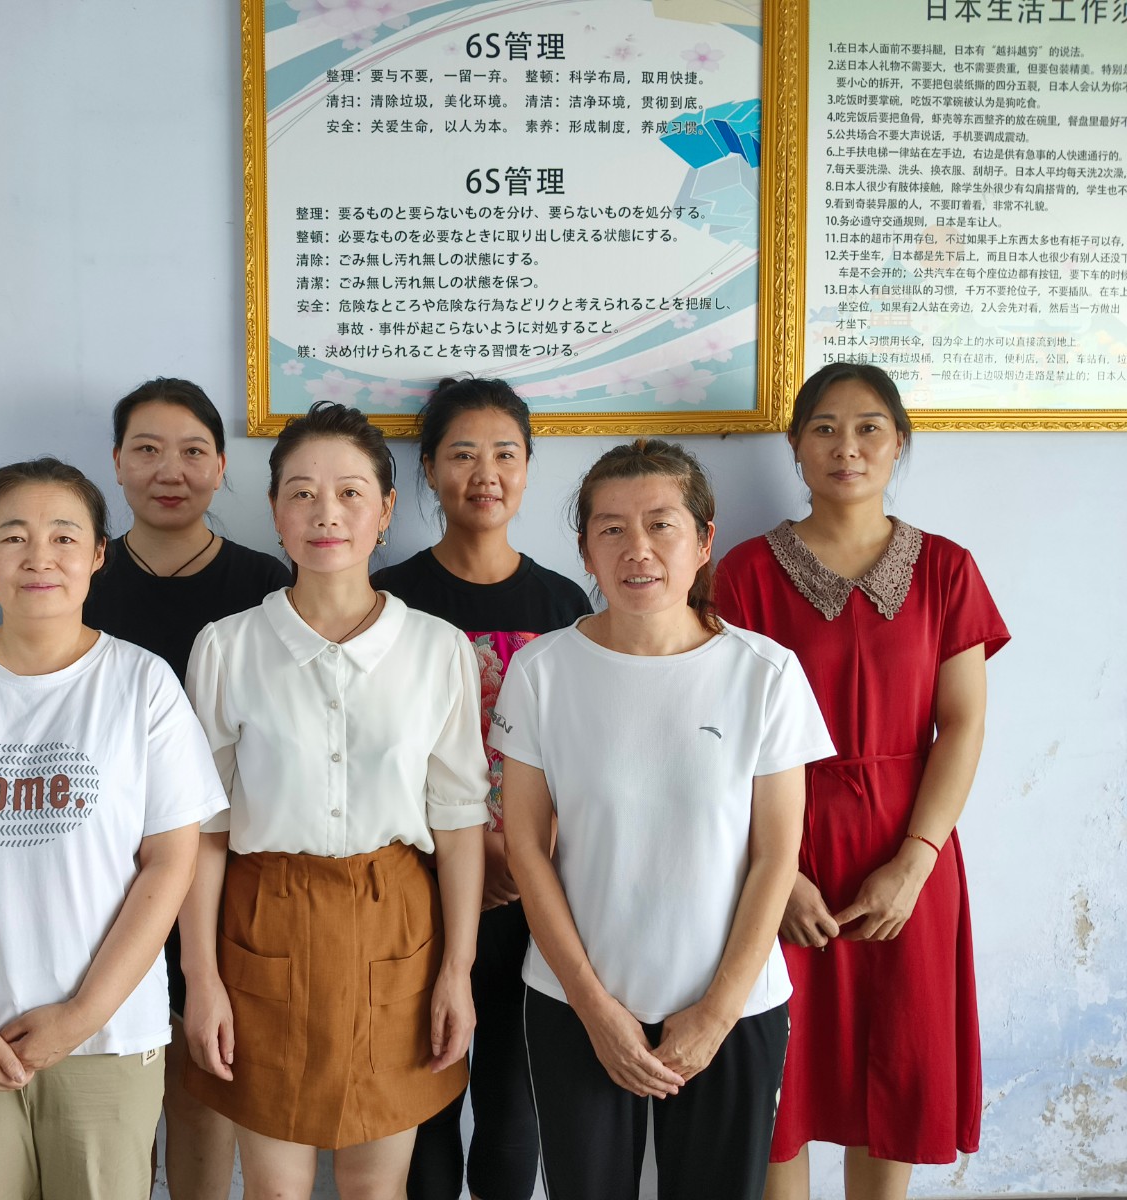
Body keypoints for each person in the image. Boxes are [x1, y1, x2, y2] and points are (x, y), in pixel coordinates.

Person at [0, 458, 227, 1200]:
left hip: (107, 1039)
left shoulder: (143, 684)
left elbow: (170, 862)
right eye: (14, 536)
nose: (38, 557)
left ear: (97, 555)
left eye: (64, 537)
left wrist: (82, 1015)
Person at [492, 438, 836, 1200]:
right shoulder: (542, 672)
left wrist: (716, 1014)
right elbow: (526, 848)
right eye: (611, 528)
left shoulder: (765, 673)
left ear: (704, 539)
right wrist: (594, 1009)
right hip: (575, 1002)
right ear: (584, 548)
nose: (637, 549)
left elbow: (776, 856)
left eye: (661, 525)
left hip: (733, 1006)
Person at [713, 363, 1009, 1200]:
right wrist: (777, 876)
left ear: (899, 444)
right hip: (779, 851)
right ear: (795, 445)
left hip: (908, 855)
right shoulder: (746, 574)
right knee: (779, 1082)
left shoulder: (947, 569)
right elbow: (722, 737)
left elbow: (963, 724)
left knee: (897, 1074)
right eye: (825, 428)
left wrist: (915, 861)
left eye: (869, 427)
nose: (847, 446)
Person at [180, 401, 489, 1200]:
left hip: (397, 926)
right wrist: (201, 976)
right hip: (263, 922)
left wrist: (457, 971)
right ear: (275, 510)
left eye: (351, 493)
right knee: (274, 1189)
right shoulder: (226, 648)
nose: (327, 514)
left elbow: (459, 825)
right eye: (303, 493)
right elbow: (204, 829)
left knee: (375, 1188)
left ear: (385, 512)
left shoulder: (436, 649)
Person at [371, 376, 590, 1200]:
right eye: (462, 454)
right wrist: (462, 851)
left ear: (528, 467)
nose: (485, 473)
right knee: (423, 1099)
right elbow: (373, 748)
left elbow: (583, 748)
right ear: (428, 469)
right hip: (419, 887)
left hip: (535, 890)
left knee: (513, 1103)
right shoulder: (390, 599)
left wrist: (524, 852)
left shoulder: (563, 601)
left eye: (505, 453)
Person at [82, 376, 289, 1200]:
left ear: (222, 465)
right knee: (113, 1105)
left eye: (193, 451)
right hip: (98, 871)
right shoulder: (80, 577)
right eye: (147, 450)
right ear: (116, 463)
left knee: (205, 1089)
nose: (170, 471)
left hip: (224, 870)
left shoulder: (266, 585)